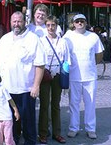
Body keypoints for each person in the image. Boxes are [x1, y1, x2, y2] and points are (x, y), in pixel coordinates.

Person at [0, 11, 45, 145]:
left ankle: (30, 142)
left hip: (25, 89)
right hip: (6, 89)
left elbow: (40, 65)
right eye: (14, 21)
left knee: (28, 121)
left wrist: (36, 85)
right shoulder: (4, 39)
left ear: (24, 22)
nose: (16, 24)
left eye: (19, 21)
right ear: (10, 23)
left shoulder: (33, 39)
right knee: (11, 121)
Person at [63, 14, 104, 140]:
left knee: (90, 103)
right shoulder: (68, 36)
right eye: (77, 21)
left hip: (90, 76)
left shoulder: (93, 36)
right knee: (73, 104)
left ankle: (90, 128)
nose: (80, 23)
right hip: (74, 76)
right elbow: (63, 53)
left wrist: (91, 65)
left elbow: (99, 54)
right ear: (73, 23)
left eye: (82, 21)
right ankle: (73, 128)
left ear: (86, 22)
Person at [38, 16, 69, 144]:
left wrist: (66, 75)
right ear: (46, 26)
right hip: (45, 74)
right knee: (44, 105)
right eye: (48, 25)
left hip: (57, 74)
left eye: (53, 25)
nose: (51, 28)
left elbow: (66, 60)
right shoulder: (41, 41)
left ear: (57, 26)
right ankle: (43, 133)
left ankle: (57, 133)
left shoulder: (62, 41)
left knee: (56, 105)